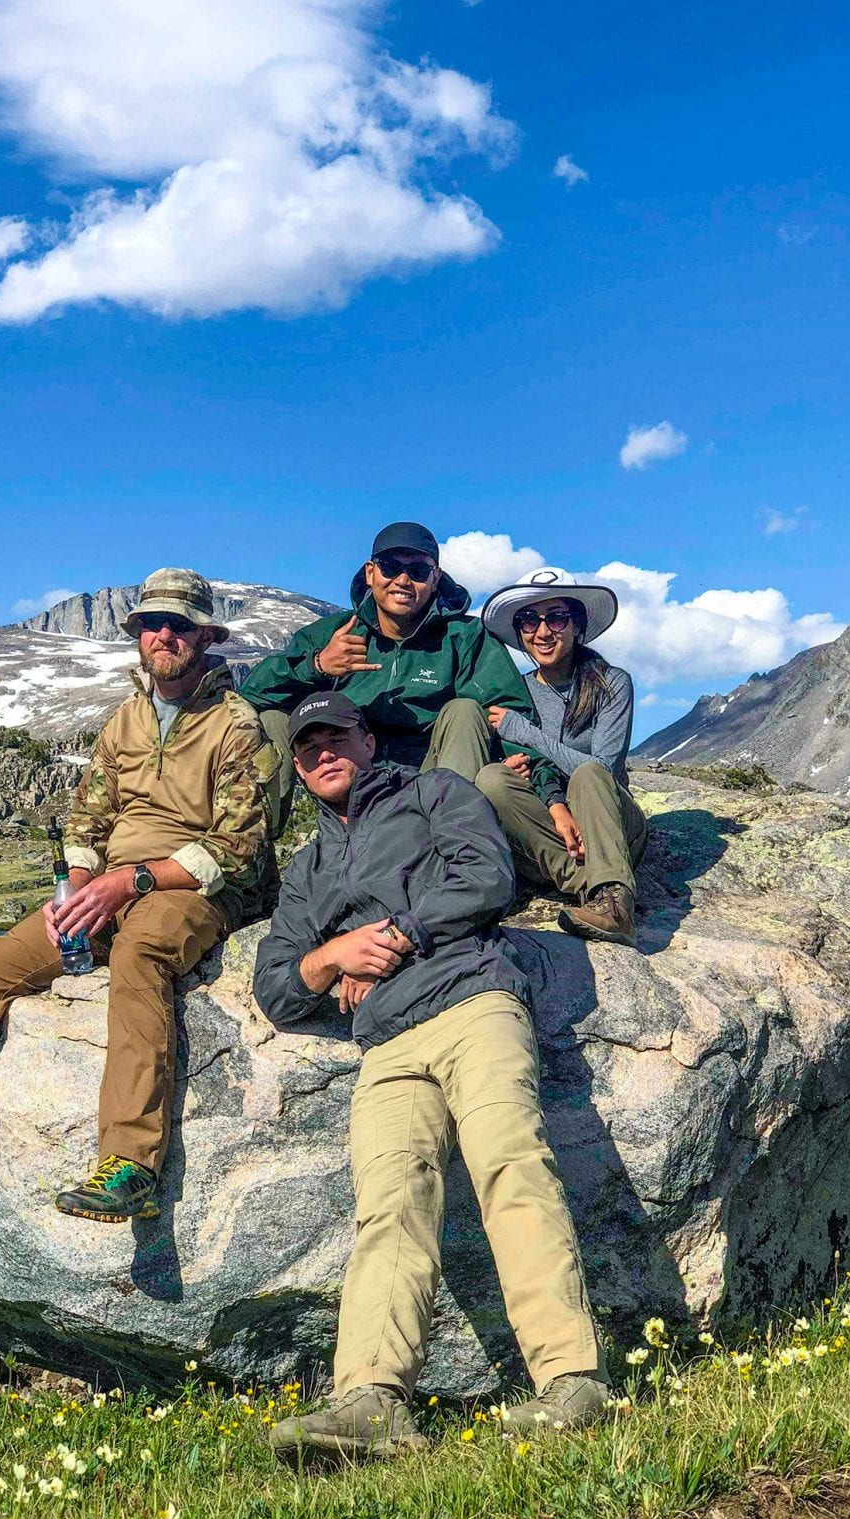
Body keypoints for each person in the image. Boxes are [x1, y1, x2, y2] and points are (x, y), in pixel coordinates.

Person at [0, 569, 280, 1225]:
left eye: (179, 625)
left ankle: (130, 1166)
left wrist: (131, 880)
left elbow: (240, 847)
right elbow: (87, 821)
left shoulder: (235, 724)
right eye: (151, 623)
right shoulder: (124, 720)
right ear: (137, 635)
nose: (164, 635)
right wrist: (78, 889)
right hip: (109, 887)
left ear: (206, 637)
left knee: (140, 957)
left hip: (193, 887)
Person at [253, 689, 611, 1461]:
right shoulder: (308, 869)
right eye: (308, 747)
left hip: (473, 999)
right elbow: (276, 985)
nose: (322, 754)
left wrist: (393, 935)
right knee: (389, 1203)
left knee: (511, 1165)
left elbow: (486, 875)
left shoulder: (434, 792)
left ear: (367, 741)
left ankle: (571, 1379)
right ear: (299, 766)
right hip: (386, 1046)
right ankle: (371, 1401)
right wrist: (333, 956)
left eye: (336, 737)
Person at [239, 521, 568, 831]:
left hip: (433, 778)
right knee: (271, 719)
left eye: (418, 571)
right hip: (351, 781)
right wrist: (318, 665)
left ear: (436, 578)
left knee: (464, 710)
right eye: (391, 567)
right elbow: (249, 697)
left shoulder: (465, 637)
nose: (403, 580)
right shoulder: (332, 635)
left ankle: (452, 838)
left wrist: (546, 790)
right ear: (370, 573)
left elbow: (508, 715)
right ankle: (254, 849)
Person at [475, 566, 647, 948]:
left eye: (556, 617)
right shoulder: (517, 692)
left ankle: (613, 900)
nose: (542, 632)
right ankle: (591, 888)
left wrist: (527, 733)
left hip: (611, 828)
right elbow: (524, 767)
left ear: (577, 624)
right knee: (491, 778)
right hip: (554, 834)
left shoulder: (612, 684)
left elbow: (604, 769)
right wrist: (522, 775)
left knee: (588, 773)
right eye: (529, 620)